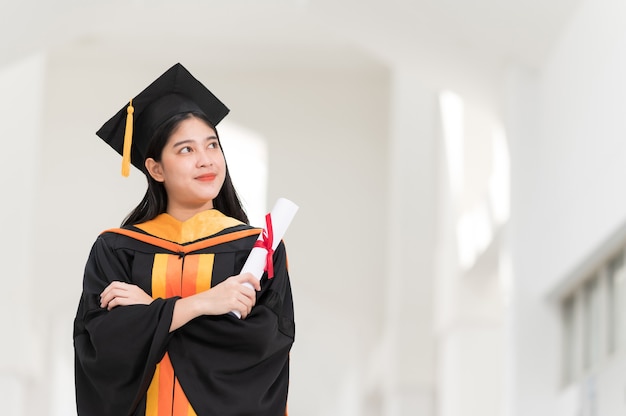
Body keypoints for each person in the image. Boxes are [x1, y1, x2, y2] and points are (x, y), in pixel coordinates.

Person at [73, 63, 295, 416]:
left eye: (212, 146)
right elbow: (103, 344)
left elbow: (261, 345)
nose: (206, 160)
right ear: (156, 168)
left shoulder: (255, 249)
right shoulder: (116, 249)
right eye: (186, 150)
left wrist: (151, 314)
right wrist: (200, 304)